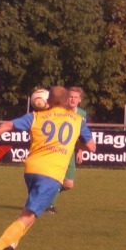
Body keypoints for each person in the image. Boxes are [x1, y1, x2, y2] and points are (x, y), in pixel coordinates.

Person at [0, 85, 96, 250]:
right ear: (66, 101)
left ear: (48, 101)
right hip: (52, 173)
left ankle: (12, 244)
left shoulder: (36, 116)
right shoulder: (78, 120)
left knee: (32, 210)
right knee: (28, 215)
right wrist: (75, 143)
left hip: (31, 170)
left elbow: (5, 126)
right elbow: (91, 147)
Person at [46, 85, 88, 214]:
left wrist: (80, 151)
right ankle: (49, 205)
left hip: (70, 153)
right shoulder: (59, 111)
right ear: (66, 98)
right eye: (70, 97)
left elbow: (81, 134)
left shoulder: (82, 114)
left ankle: (46, 195)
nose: (73, 99)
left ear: (80, 100)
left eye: (75, 97)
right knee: (55, 178)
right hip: (57, 151)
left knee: (69, 184)